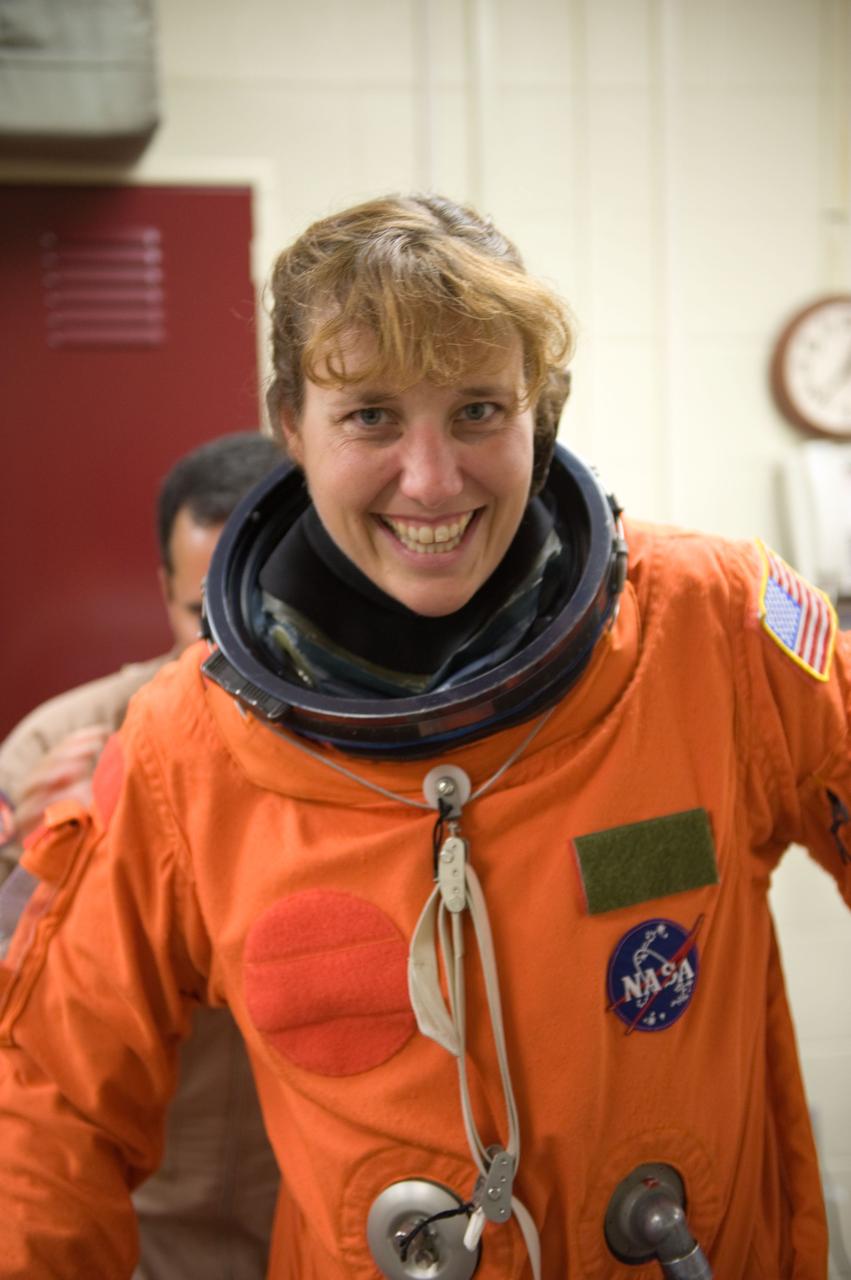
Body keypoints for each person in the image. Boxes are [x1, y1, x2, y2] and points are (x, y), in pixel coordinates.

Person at [0, 194, 848, 1280]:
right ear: (288, 423)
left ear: (538, 412)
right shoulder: (186, 749)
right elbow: (47, 1111)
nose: (432, 478)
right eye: (368, 416)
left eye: (477, 410)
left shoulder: (712, 626)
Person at [0, 431, 283, 1280]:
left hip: (320, 1208)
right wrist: (29, 861)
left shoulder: (376, 746)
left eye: (265, 598)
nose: (234, 635)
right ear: (163, 592)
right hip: (147, 1225)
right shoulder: (59, 741)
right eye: (204, 609)